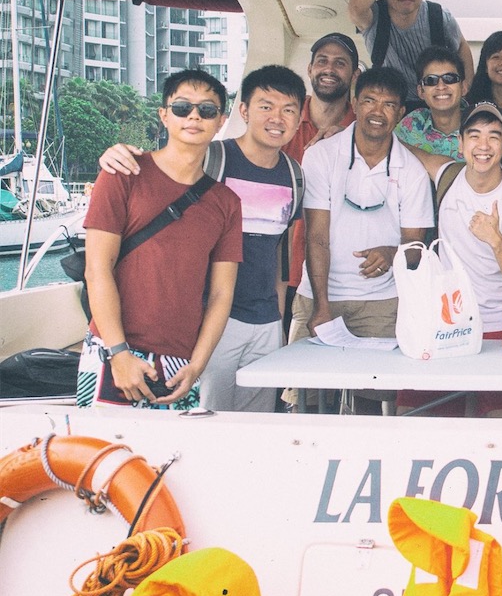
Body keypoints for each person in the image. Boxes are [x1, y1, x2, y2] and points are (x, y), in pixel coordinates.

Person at [96, 65, 307, 413]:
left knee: (255, 424)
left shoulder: (293, 174)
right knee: (207, 416)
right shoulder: (213, 156)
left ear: (300, 118)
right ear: (242, 112)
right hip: (206, 323)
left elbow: (280, 249)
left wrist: (278, 318)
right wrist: (111, 155)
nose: (276, 118)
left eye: (288, 110)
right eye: (266, 106)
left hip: (262, 320)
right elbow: (168, 166)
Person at [77, 69, 242, 410]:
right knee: (102, 460)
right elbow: (97, 269)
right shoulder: (122, 174)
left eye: (207, 110)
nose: (194, 116)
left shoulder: (226, 202)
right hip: (113, 348)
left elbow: (222, 293)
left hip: (180, 361)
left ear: (220, 120)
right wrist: (118, 353)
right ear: (164, 115)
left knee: (169, 462)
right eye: (182, 107)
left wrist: (197, 365)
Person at [291, 66, 435, 413]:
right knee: (307, 405)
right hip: (318, 294)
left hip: (382, 302)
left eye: (388, 105)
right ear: (354, 101)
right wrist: (323, 305)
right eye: (369, 100)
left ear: (401, 113)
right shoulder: (322, 155)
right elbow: (317, 237)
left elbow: (415, 249)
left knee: (371, 407)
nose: (377, 112)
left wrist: (391, 252)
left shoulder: (412, 170)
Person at [398, 102, 502, 417]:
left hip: (496, 328)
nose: (483, 146)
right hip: (440, 325)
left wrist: (496, 241)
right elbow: (401, 148)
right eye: (474, 136)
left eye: (493, 136)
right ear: (460, 143)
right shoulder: (446, 174)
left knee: (498, 428)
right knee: (415, 420)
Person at [282, 33, 360, 323]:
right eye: (322, 61)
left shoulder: (365, 129)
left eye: (340, 63)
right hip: (283, 272)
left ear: (354, 75)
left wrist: (351, 141)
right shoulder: (283, 118)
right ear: (310, 69)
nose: (329, 69)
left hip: (343, 279)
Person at [348, 0, 473, 102]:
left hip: (435, 101)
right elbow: (356, 9)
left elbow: (462, 46)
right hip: (392, 104)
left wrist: (466, 89)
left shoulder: (439, 17)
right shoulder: (374, 16)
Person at [397, 46, 468, 157]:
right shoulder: (411, 125)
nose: (441, 86)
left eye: (449, 78)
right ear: (421, 91)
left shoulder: (481, 124)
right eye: (431, 80)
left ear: (463, 87)